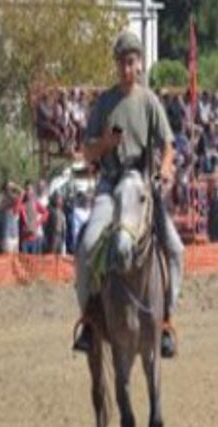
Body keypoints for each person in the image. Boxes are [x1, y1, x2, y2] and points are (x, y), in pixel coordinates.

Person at [72, 31, 183, 359]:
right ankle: (89, 320)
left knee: (176, 249)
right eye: (121, 62)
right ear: (116, 64)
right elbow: (87, 152)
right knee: (88, 246)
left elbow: (168, 145)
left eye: (131, 61)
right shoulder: (104, 103)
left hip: (142, 187)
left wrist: (165, 168)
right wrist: (105, 143)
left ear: (139, 64)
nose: (126, 68)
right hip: (110, 185)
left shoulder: (149, 101)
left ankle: (166, 320)